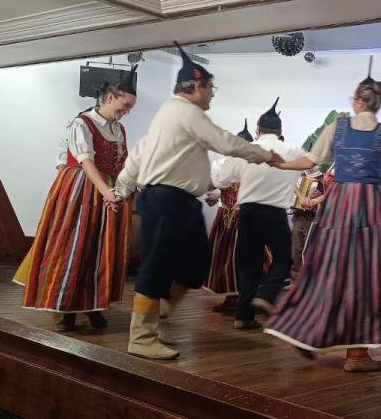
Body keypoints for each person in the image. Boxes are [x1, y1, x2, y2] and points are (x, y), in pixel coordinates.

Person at [113, 42, 280, 360]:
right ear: (197, 86)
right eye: (211, 88)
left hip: (182, 201)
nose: (212, 94)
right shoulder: (184, 111)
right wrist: (267, 155)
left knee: (196, 266)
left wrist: (123, 186)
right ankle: (141, 336)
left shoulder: (171, 116)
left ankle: (158, 311)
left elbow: (141, 151)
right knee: (157, 266)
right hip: (165, 198)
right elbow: (225, 142)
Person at [263, 74, 381, 373]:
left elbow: (311, 160)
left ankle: (305, 329)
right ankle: (357, 354)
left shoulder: (337, 127)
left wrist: (280, 162)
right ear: (377, 103)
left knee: (328, 269)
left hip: (340, 204)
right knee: (369, 277)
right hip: (372, 206)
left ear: (357, 101)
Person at [15, 66, 138, 333]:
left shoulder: (119, 129)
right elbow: (85, 161)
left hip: (108, 193)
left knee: (98, 251)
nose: (126, 111)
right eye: (125, 106)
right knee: (72, 247)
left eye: (130, 108)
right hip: (81, 190)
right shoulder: (82, 123)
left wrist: (123, 189)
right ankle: (63, 311)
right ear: (109, 98)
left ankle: (92, 306)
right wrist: (106, 192)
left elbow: (123, 164)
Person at [213, 97, 305, 329]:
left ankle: (243, 316)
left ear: (257, 130)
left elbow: (221, 179)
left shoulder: (245, 150)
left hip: (248, 212)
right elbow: (312, 166)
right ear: (280, 130)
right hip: (275, 213)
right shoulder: (292, 150)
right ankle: (266, 293)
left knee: (250, 265)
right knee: (283, 258)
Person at [198, 119, 256, 314]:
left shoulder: (255, 164)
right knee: (223, 259)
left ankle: (244, 299)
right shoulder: (222, 163)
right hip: (226, 216)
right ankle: (232, 297)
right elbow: (220, 187)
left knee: (242, 258)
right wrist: (213, 196)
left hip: (245, 216)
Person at [290, 168, 325, 289]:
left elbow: (328, 197)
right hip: (298, 216)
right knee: (296, 249)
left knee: (310, 250)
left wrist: (318, 196)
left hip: (314, 218)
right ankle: (295, 281)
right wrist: (298, 194)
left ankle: (311, 282)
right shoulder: (297, 175)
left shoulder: (323, 178)